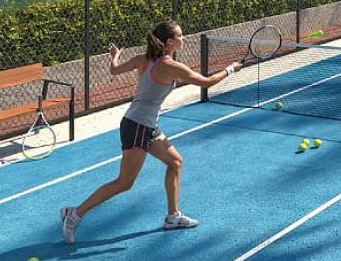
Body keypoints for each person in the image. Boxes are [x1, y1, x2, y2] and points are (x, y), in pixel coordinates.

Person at [60, 21, 242, 244]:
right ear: (170, 42)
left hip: (144, 125)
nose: (184, 38)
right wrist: (231, 69)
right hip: (138, 126)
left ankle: (173, 217)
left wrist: (115, 56)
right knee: (124, 183)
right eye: (180, 35)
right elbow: (206, 82)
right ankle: (74, 214)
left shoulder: (142, 59)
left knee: (175, 162)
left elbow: (114, 70)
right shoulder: (170, 66)